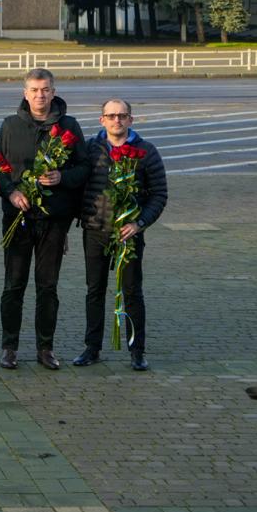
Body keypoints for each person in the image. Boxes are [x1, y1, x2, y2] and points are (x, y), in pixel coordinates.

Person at [0, 68, 89, 370]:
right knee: (14, 285)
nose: (40, 95)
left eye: (45, 89)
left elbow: (84, 169)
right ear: (25, 93)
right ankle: (9, 347)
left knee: (47, 286)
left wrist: (62, 177)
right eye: (34, 90)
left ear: (54, 91)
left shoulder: (69, 126)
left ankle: (45, 348)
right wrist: (10, 193)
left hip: (54, 221)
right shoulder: (10, 126)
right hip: (18, 218)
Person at [74, 99, 168, 371]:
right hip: (95, 230)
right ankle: (92, 348)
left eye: (122, 116)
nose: (117, 120)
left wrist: (139, 223)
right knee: (94, 290)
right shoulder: (91, 149)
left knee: (132, 292)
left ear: (131, 120)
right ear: (101, 120)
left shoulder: (146, 151)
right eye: (111, 116)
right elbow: (77, 186)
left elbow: (159, 194)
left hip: (129, 234)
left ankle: (137, 350)